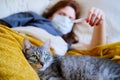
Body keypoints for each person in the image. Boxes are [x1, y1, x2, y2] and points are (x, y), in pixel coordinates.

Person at [0, 0, 106, 50]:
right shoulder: (35, 17)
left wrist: (100, 22)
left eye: (70, 18)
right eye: (62, 14)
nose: (65, 19)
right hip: (15, 43)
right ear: (51, 16)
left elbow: (96, 49)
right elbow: (3, 26)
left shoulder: (68, 43)